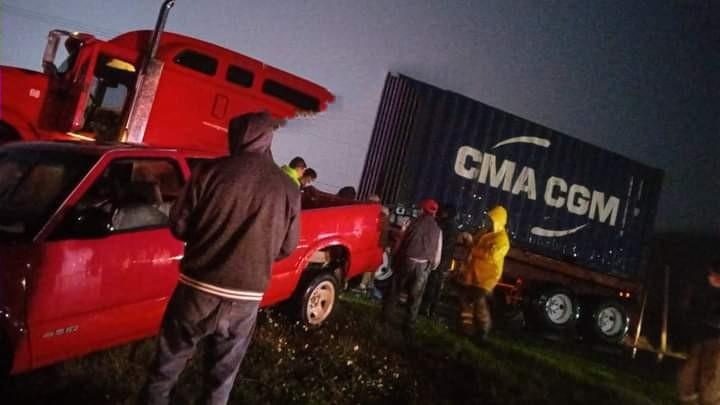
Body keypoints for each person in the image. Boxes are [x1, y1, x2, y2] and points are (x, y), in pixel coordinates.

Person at [139, 111, 301, 405]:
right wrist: (255, 256)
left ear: (235, 136)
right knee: (220, 381)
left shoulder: (209, 172)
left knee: (165, 369)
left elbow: (179, 225)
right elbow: (288, 247)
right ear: (268, 139)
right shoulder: (288, 188)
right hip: (246, 297)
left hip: (197, 289)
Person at [382, 198, 442, 338]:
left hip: (407, 261)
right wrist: (431, 266)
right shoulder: (438, 230)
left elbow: (400, 241)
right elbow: (437, 252)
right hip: (423, 266)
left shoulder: (411, 223)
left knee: (395, 290)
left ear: (422, 209)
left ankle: (386, 318)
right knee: (415, 297)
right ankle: (409, 327)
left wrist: (395, 256)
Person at [455, 205, 510, 340]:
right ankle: (467, 330)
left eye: (491, 219)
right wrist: (468, 239)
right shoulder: (485, 232)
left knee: (479, 302)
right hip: (473, 274)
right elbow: (474, 244)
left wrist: (471, 248)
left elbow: (490, 256)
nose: (488, 221)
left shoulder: (502, 240)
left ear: (498, 221)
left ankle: (483, 332)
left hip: (487, 277)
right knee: (466, 300)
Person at [677, 259, 720, 405]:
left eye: (713, 274)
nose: (710, 277)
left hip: (716, 342)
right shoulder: (702, 289)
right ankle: (690, 399)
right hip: (700, 339)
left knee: (710, 378)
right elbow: (688, 308)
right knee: (688, 375)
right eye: (710, 274)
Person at [420, 204, 460, 319]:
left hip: (438, 261)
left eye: (443, 212)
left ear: (447, 213)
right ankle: (432, 311)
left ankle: (425, 309)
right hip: (444, 262)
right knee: (437, 287)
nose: (441, 213)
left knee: (432, 285)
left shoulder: (444, 225)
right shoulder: (453, 226)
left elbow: (439, 244)